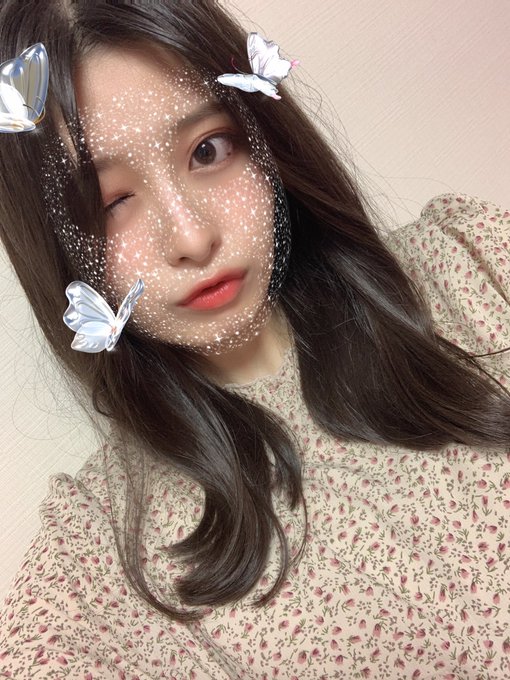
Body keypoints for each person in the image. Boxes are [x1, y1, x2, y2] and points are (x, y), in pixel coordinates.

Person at [0, 1, 509, 678]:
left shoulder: (470, 263)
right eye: (108, 201)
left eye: (207, 150)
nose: (191, 237)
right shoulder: (99, 547)